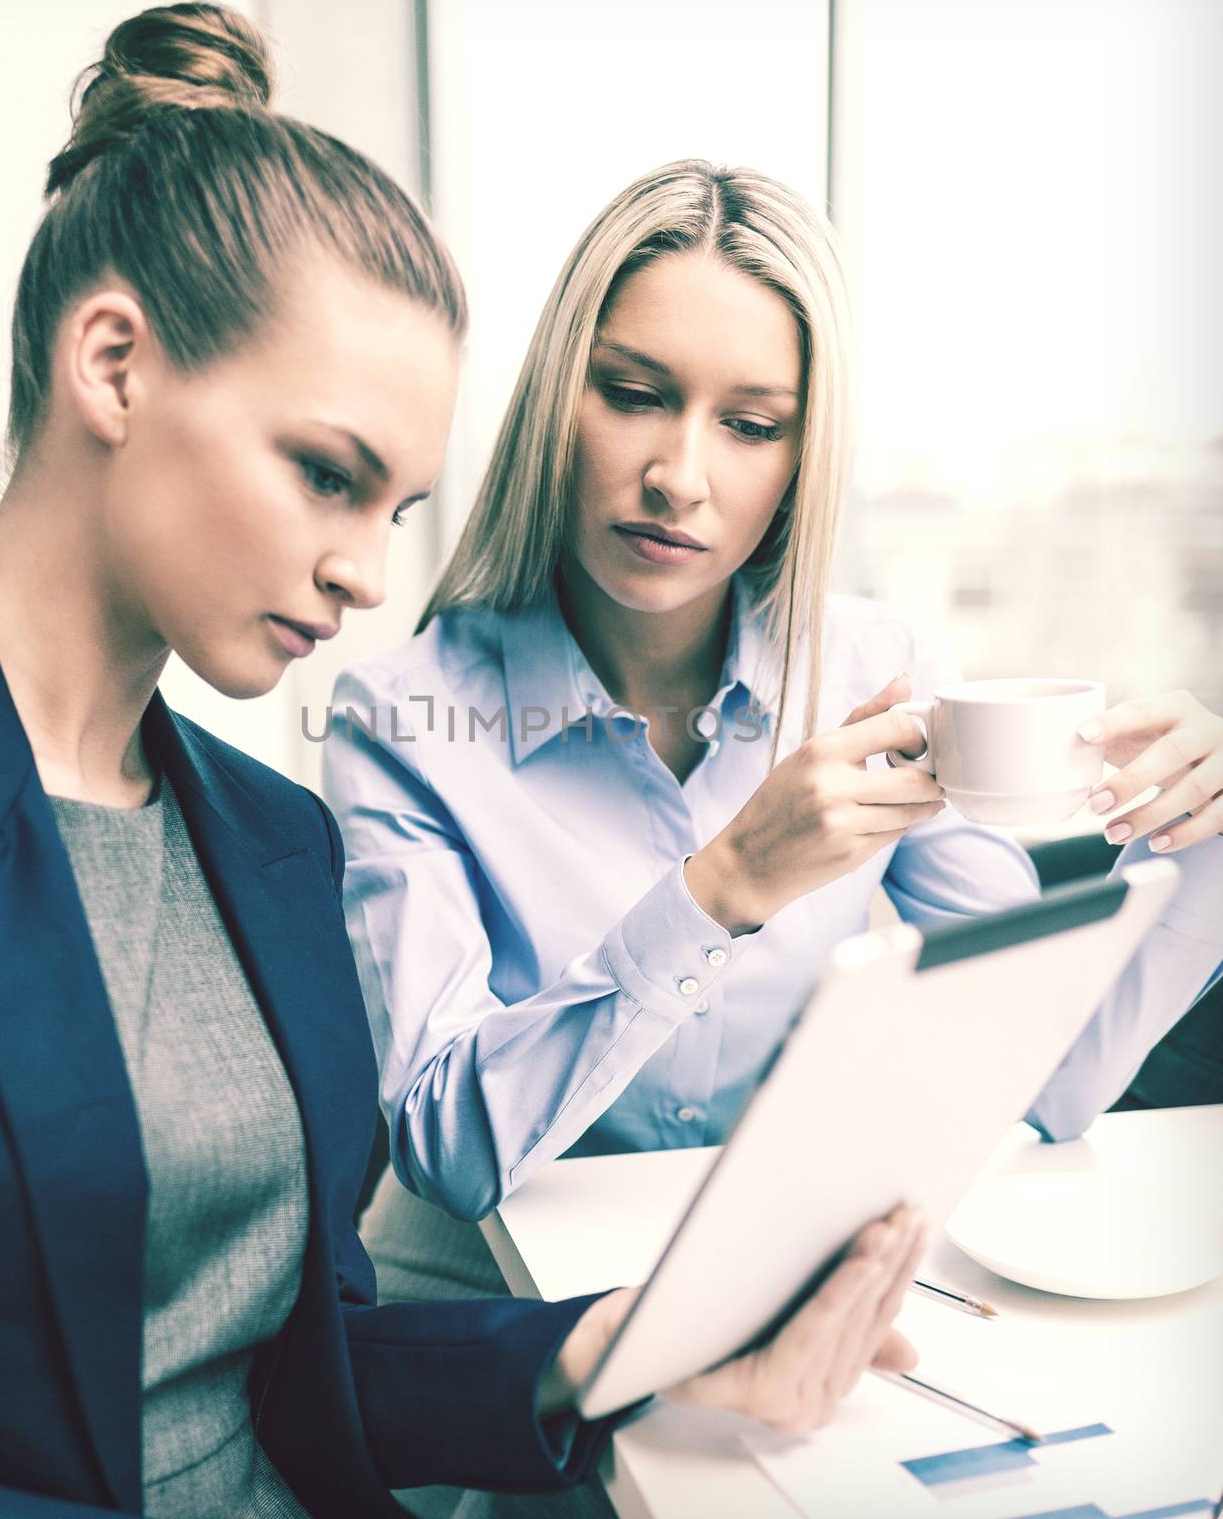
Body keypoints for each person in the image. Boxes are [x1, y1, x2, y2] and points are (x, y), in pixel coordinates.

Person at [0, 10, 928, 1519]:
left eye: (396, 510)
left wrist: (610, 1354)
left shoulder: (271, 842)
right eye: (327, 475)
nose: (362, 577)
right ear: (113, 364)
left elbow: (294, 1369)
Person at [321, 158, 1223, 1516]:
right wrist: (721, 886)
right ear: (553, 396)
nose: (677, 474)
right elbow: (447, 1144)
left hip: (789, 1332)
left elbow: (1037, 1085)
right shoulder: (401, 717)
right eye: (630, 393)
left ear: (802, 458)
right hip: (535, 1364)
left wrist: (1201, 839)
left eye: (750, 424)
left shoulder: (872, 664)